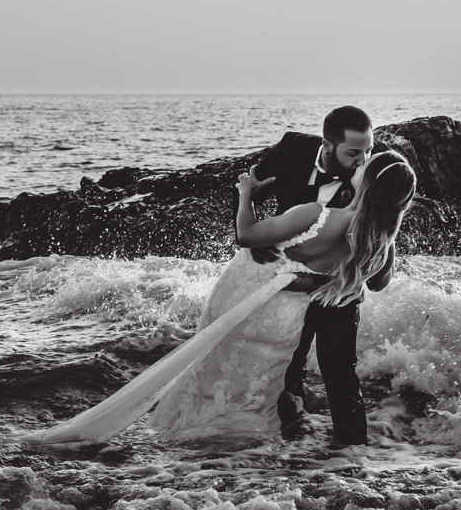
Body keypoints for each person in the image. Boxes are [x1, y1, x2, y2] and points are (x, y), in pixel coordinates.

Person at [21, 149, 416, 448]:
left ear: (366, 180)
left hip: (260, 303)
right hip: (289, 319)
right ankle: (330, 452)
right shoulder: (379, 240)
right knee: (267, 381)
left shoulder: (318, 214)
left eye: (365, 164)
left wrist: (246, 194)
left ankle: (206, 439)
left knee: (216, 363)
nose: (358, 164)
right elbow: (377, 284)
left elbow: (247, 236)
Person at [246, 106, 393, 446]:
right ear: (328, 147)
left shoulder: (373, 170)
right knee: (286, 368)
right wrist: (258, 245)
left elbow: (379, 237)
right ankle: (292, 449)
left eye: (369, 150)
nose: (364, 160)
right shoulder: (291, 151)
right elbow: (249, 192)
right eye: (354, 153)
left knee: (341, 373)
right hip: (290, 281)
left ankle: (353, 458)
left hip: (341, 284)